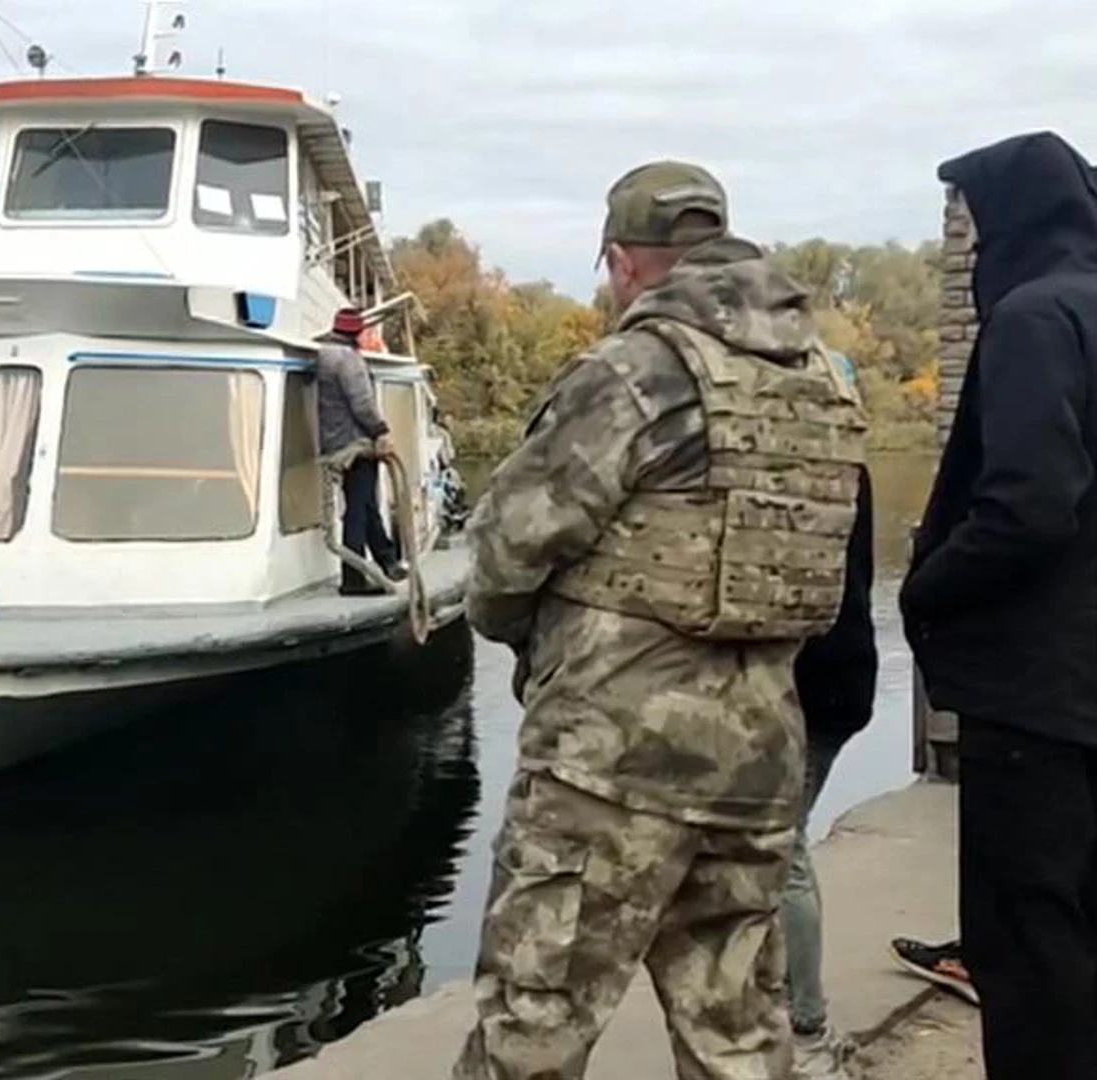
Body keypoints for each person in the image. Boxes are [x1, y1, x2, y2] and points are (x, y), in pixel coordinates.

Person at [454, 161, 868, 1080]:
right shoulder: (828, 384)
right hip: (760, 758)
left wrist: (531, 640)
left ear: (623, 263)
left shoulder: (636, 371)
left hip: (609, 766)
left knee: (533, 1029)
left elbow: (503, 553)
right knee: (739, 1039)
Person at [902, 130, 1097, 1079]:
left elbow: (1028, 504)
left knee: (1029, 953)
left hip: (1038, 700)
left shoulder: (1033, 318)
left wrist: (927, 588)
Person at [783, 455, 878, 1079]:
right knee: (781, 847)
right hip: (847, 675)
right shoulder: (850, 464)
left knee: (779, 852)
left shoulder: (787, 465)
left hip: (809, 686)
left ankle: (806, 1029)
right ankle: (797, 1016)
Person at [317, 307, 403, 594]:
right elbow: (362, 404)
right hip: (355, 446)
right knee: (358, 510)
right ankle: (353, 579)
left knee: (365, 506)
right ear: (357, 333)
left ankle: (387, 560)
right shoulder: (349, 360)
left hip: (334, 443)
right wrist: (381, 431)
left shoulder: (323, 354)